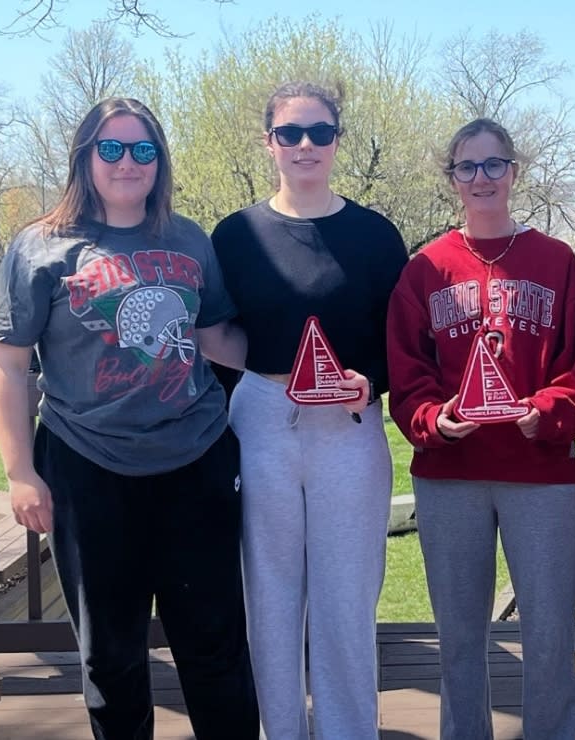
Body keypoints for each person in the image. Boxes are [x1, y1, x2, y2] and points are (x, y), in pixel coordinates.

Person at [0, 97, 258, 739]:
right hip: (88, 470)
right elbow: (6, 366)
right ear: (85, 157)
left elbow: (218, 336)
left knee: (214, 646)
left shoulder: (188, 238)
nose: (128, 162)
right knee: (111, 659)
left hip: (197, 461)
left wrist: (305, 361)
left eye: (143, 149)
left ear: (160, 161)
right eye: (111, 148)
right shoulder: (39, 247)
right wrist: (21, 471)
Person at [210, 81, 408, 740]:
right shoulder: (234, 235)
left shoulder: (376, 235)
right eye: (290, 133)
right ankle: (282, 732)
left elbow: (399, 340)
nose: (305, 145)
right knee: (267, 597)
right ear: (268, 142)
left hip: (348, 425)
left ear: (337, 141)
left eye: (319, 132)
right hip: (263, 416)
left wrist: (369, 381)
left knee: (346, 600)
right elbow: (219, 337)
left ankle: (350, 731)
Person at [387, 118, 575, 739]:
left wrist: (548, 413)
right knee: (458, 638)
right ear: (452, 178)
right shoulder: (425, 268)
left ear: (515, 170)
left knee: (551, 637)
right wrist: (435, 420)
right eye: (467, 167)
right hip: (451, 477)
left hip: (541, 474)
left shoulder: (557, 260)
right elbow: (408, 374)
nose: (481, 178)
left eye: (493, 164)